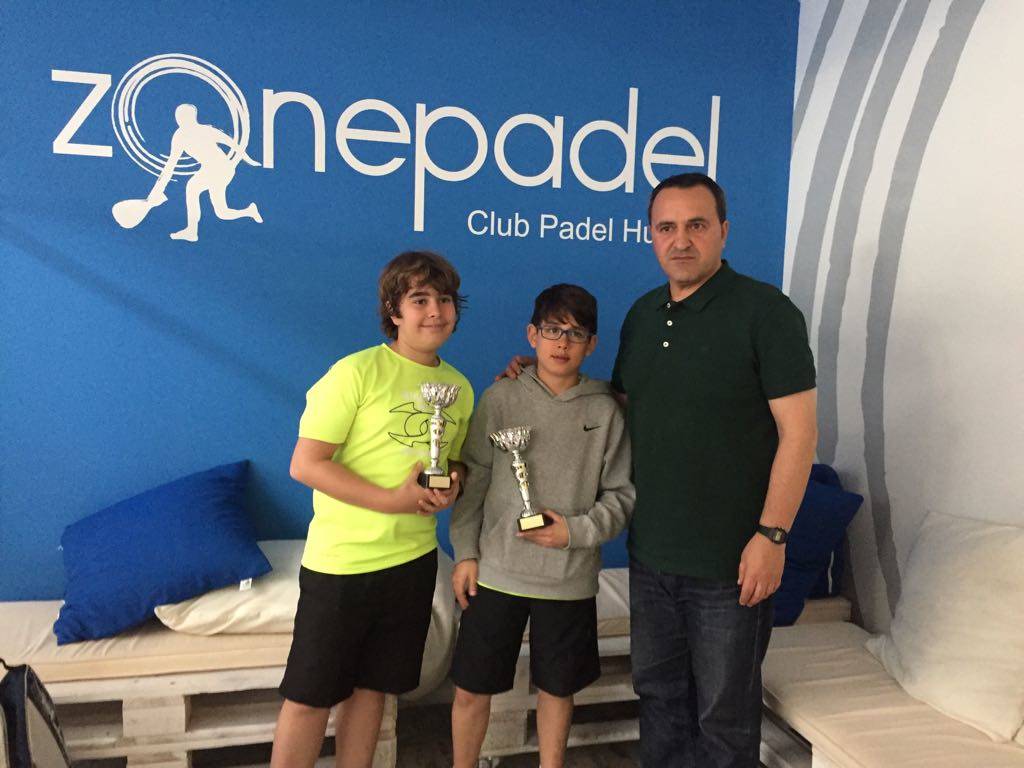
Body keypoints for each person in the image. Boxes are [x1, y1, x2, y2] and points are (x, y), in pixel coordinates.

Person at [502, 174, 817, 767]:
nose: (681, 240)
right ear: (651, 235)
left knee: (724, 718)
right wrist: (542, 376)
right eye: (666, 227)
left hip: (732, 562)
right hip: (651, 557)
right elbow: (624, 403)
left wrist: (772, 536)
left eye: (697, 225)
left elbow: (799, 434)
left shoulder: (766, 313)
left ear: (723, 231)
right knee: (661, 701)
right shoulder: (643, 315)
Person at [271, 251, 474, 768]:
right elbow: (306, 464)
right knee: (310, 697)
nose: (435, 311)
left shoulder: (459, 389)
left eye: (444, 299)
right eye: (419, 300)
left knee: (373, 691)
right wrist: (392, 501)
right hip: (343, 565)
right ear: (394, 311)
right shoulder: (355, 372)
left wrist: (452, 484)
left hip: (412, 564)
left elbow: (451, 462)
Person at [449, 284, 635, 768]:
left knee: (557, 690)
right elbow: (474, 481)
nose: (562, 343)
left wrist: (574, 532)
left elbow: (622, 495)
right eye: (552, 330)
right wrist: (466, 553)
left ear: (592, 344)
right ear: (532, 335)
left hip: (568, 580)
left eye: (576, 333)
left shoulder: (605, 410)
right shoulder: (500, 397)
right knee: (471, 689)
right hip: (496, 574)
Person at [147, 103, 262, 242]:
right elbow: (170, 165)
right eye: (178, 116)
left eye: (183, 116)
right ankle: (249, 211)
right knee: (222, 213)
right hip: (209, 169)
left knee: (192, 188)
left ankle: (191, 231)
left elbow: (231, 143)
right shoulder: (179, 136)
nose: (179, 119)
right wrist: (157, 189)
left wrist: (248, 159)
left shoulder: (206, 130)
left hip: (222, 168)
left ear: (192, 117)